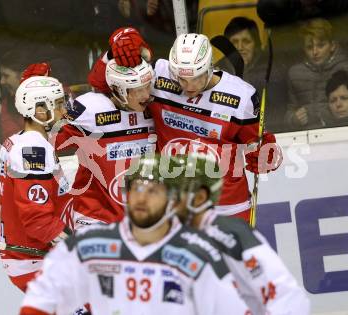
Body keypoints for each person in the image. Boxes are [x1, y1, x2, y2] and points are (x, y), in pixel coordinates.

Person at [88, 29, 283, 223]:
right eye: (181, 79)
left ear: (210, 67)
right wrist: (114, 53)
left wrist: (268, 154)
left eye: (197, 78)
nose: (189, 87)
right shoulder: (158, 76)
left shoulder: (241, 96)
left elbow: (257, 143)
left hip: (227, 207)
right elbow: (100, 83)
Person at [20, 154, 249, 315]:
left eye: (153, 191)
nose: (142, 199)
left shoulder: (195, 254)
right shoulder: (93, 245)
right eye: (136, 190)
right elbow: (41, 299)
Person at [175, 153, 311, 315]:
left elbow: (286, 296)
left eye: (175, 192)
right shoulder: (158, 235)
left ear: (200, 197)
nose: (167, 199)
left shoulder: (230, 234)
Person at [52, 58, 156, 230]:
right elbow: (47, 141)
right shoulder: (88, 109)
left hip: (141, 219)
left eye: (148, 86)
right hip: (95, 217)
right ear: (118, 90)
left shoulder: (153, 107)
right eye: (139, 90)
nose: (146, 95)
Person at [0, 75, 72, 292]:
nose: (63, 110)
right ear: (39, 110)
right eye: (58, 104)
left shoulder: (21, 140)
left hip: (31, 257)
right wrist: (78, 245)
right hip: (33, 261)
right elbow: (37, 221)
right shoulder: (32, 151)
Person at [285, 18, 348, 130]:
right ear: (303, 49)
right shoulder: (295, 74)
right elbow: (289, 111)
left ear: (333, 45)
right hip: (307, 137)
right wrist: (294, 119)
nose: (315, 52)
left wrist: (315, 113)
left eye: (321, 45)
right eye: (309, 47)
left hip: (346, 131)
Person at [217, 16, 288, 132]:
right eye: (234, 42)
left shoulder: (271, 71)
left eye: (246, 41)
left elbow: (278, 112)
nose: (240, 47)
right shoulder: (216, 73)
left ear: (256, 45)